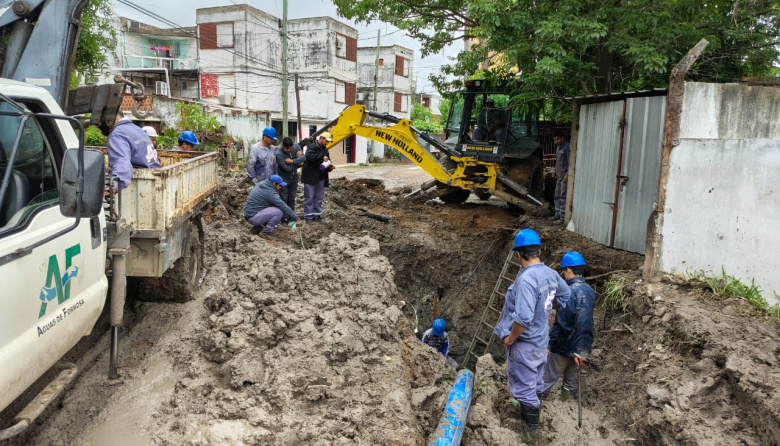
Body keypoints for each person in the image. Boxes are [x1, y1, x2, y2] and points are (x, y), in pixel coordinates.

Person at [493, 228, 570, 433]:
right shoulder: (551, 273)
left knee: (525, 391)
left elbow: (524, 318)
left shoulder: (527, 280)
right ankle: (532, 425)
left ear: (518, 254)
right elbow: (565, 296)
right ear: (539, 251)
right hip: (540, 342)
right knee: (534, 385)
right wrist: (545, 304)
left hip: (524, 345)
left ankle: (530, 435)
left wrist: (510, 338)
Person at [539, 251, 595, 400]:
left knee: (548, 375)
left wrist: (550, 346)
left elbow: (561, 323)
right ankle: (567, 401)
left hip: (566, 345)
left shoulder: (568, 292)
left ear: (568, 269)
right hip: (583, 345)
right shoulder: (590, 291)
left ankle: (536, 402)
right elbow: (582, 314)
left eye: (563, 271)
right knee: (571, 379)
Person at [106, 110, 161, 190]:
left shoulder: (117, 134)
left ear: (108, 118)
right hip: (155, 182)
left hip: (142, 189)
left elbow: (122, 163)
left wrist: (114, 186)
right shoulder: (136, 129)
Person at [301, 132, 335, 221]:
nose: (327, 143)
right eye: (326, 141)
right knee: (309, 197)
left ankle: (317, 215)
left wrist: (329, 166)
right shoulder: (312, 147)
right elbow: (309, 156)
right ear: (321, 138)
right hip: (310, 177)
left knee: (319, 197)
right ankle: (308, 216)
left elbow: (327, 160)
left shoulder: (325, 149)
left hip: (320, 177)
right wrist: (321, 157)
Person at [276, 137, 306, 217]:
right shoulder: (279, 153)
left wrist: (293, 161)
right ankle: (284, 217)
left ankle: (291, 216)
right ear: (283, 146)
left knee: (292, 198)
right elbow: (287, 168)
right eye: (287, 149)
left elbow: (304, 157)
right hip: (283, 178)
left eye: (290, 148)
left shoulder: (295, 146)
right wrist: (298, 161)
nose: (289, 150)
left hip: (294, 177)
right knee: (283, 198)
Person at [550, 131, 570, 224]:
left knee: (563, 196)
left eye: (557, 139)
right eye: (554, 140)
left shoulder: (567, 147)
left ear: (563, 138)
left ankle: (562, 217)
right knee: (557, 195)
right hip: (558, 175)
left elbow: (571, 162)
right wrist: (554, 170)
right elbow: (558, 161)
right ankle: (557, 214)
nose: (556, 141)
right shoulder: (558, 147)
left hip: (564, 175)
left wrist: (568, 175)